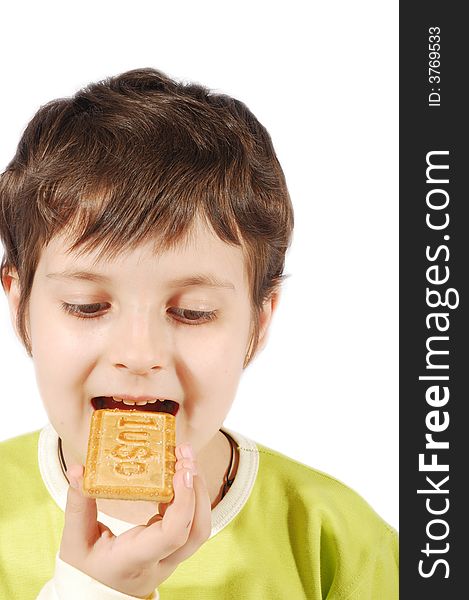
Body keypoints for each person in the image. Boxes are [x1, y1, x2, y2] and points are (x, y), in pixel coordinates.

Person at [0, 67, 398, 599]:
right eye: (87, 305)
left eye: (193, 312)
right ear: (20, 303)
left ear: (259, 321)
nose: (139, 354)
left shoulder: (341, 542)